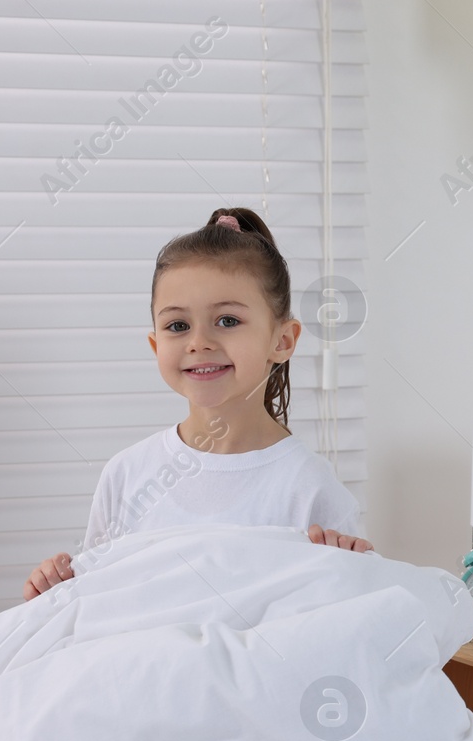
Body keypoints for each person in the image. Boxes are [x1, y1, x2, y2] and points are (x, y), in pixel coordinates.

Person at [25, 207, 370, 600]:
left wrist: (353, 576)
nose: (198, 343)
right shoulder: (126, 475)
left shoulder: (309, 488)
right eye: (177, 326)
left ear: (283, 340)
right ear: (156, 345)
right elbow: (98, 604)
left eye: (227, 320)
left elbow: (341, 627)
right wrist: (57, 590)